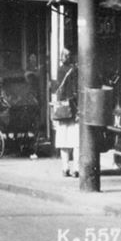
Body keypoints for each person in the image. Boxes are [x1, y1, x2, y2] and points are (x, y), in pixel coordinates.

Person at [52, 49, 80, 178]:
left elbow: (59, 89)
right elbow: (75, 90)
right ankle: (76, 169)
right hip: (73, 109)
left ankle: (65, 168)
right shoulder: (74, 70)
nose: (68, 57)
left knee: (64, 140)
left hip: (63, 109)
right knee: (76, 141)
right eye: (67, 55)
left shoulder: (60, 70)